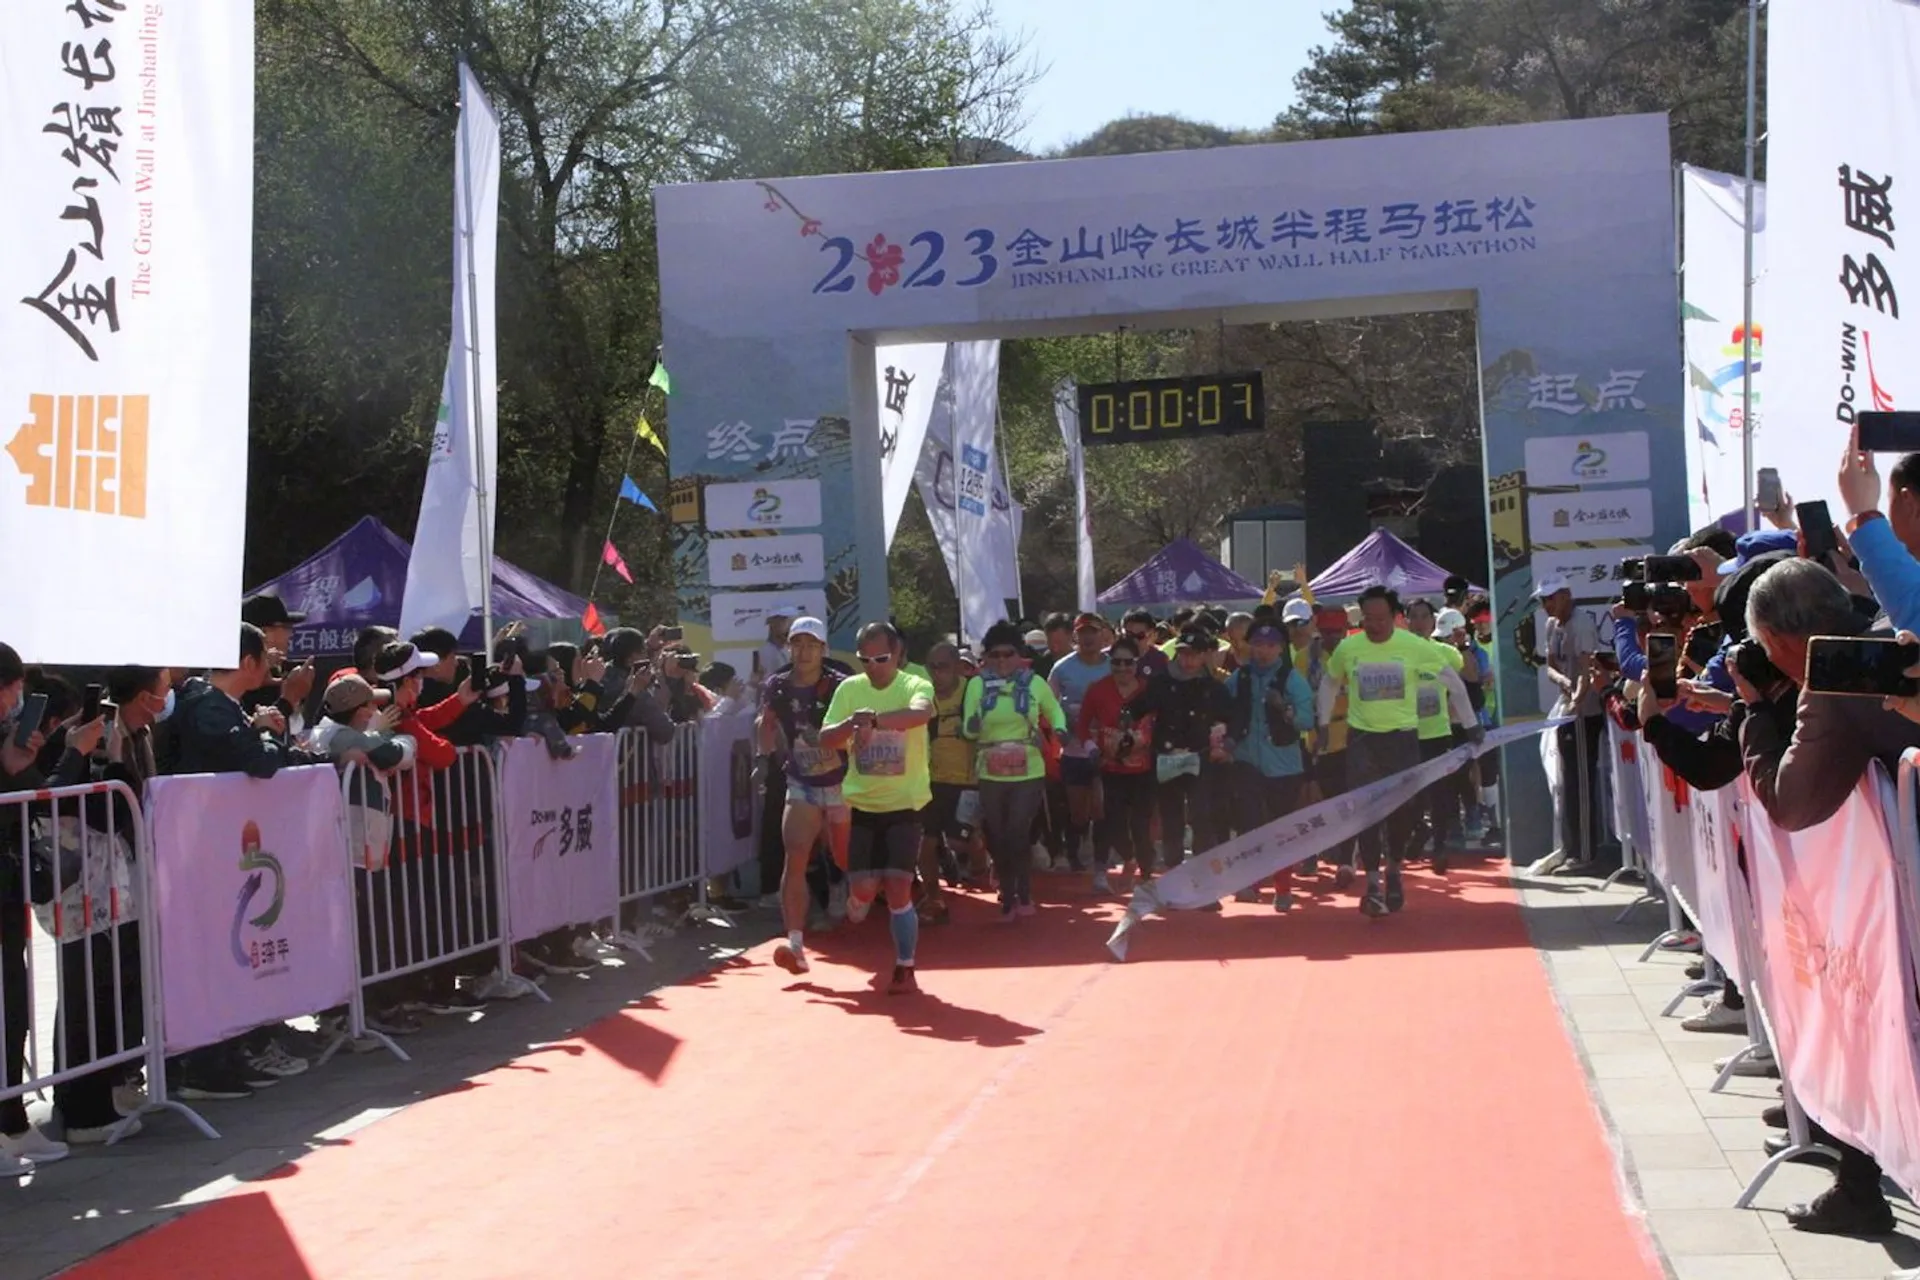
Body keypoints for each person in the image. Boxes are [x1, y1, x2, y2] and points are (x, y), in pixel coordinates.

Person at [1323, 586, 1456, 917]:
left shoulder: (1413, 646)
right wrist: (1322, 722)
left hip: (1403, 740)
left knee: (1402, 812)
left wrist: (1471, 723)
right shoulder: (1349, 647)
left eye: (1381, 618)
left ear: (1396, 617)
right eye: (1368, 618)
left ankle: (1393, 869)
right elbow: (1329, 682)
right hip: (1362, 740)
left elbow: (1452, 679)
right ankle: (1372, 882)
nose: (1375, 625)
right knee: (1366, 812)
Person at [819, 623, 935, 994]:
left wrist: (876, 721)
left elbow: (921, 713)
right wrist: (850, 725)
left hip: (905, 803)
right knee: (866, 889)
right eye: (865, 660)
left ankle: (905, 965)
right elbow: (825, 737)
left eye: (881, 659)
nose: (873, 667)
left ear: (897, 653)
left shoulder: (914, 683)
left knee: (899, 886)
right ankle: (860, 896)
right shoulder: (849, 689)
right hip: (863, 805)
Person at [762, 618, 850, 977]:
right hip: (802, 782)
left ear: (823, 649)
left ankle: (852, 889)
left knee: (844, 855)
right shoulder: (778, 685)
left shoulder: (841, 685)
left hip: (842, 783)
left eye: (811, 645)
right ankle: (796, 946)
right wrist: (762, 757)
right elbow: (766, 723)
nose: (804, 652)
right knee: (796, 853)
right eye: (797, 644)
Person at [963, 622, 1068, 921]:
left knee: (1017, 830)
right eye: (994, 655)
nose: (1001, 660)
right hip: (991, 768)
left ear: (1019, 655)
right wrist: (972, 725)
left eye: (1008, 654)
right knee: (997, 834)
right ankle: (1006, 894)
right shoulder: (977, 685)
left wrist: (1059, 729)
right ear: (986, 657)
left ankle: (1023, 892)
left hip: (1027, 768)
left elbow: (1054, 710)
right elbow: (969, 726)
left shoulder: (1034, 683)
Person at [1220, 622, 1316, 909]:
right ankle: (1250, 882)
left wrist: (1284, 708)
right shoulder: (1239, 677)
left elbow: (1306, 721)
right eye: (1258, 645)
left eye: (1271, 645)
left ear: (1280, 648)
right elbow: (1222, 709)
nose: (1263, 651)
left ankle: (1283, 887)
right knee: (1248, 823)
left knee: (1281, 828)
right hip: (1246, 760)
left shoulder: (1292, 679)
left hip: (1284, 764)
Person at [1530, 576, 1606, 876]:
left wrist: (1578, 699)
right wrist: (1563, 682)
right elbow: (1550, 666)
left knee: (1582, 784)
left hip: (1585, 714)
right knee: (1567, 783)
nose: (1547, 604)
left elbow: (1588, 670)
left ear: (1566, 595)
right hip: (1565, 711)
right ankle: (1571, 849)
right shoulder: (1552, 626)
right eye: (1543, 599)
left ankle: (1585, 854)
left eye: (1551, 598)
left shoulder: (1581, 624)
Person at [1142, 628, 1229, 876]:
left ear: (1204, 656)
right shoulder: (1160, 682)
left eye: (1194, 654)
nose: (1188, 660)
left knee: (1202, 813)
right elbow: (1140, 711)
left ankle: (1203, 870)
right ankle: (1173, 867)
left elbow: (1227, 718)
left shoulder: (1214, 686)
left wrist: (1221, 741)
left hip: (1200, 757)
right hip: (1166, 755)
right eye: (1183, 653)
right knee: (1171, 815)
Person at [1079, 635, 1157, 892]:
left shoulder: (1148, 690)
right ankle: (1112, 866)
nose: (1122, 668)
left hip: (1143, 769)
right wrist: (1092, 749)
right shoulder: (1098, 690)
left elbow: (1162, 724)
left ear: (1137, 663)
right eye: (1116, 662)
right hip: (1110, 768)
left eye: (1128, 662)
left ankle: (1146, 874)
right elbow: (1082, 726)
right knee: (1109, 821)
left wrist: (1144, 740)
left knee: (1141, 824)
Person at [920, 641, 984, 917]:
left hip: (968, 781)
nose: (937, 674)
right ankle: (934, 899)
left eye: (943, 667)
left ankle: (979, 855)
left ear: (957, 666)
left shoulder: (972, 691)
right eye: (932, 667)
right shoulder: (922, 695)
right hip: (930, 781)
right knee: (925, 843)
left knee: (962, 843)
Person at [1046, 613, 1111, 870]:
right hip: (1073, 749)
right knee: (1078, 811)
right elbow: (1049, 704)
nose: (1088, 638)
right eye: (1083, 633)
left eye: (1093, 632)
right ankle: (1074, 850)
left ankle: (1099, 856)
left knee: (1100, 806)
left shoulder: (1113, 666)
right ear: (1076, 636)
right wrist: (1060, 727)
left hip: (1106, 749)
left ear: (1103, 634)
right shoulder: (1062, 668)